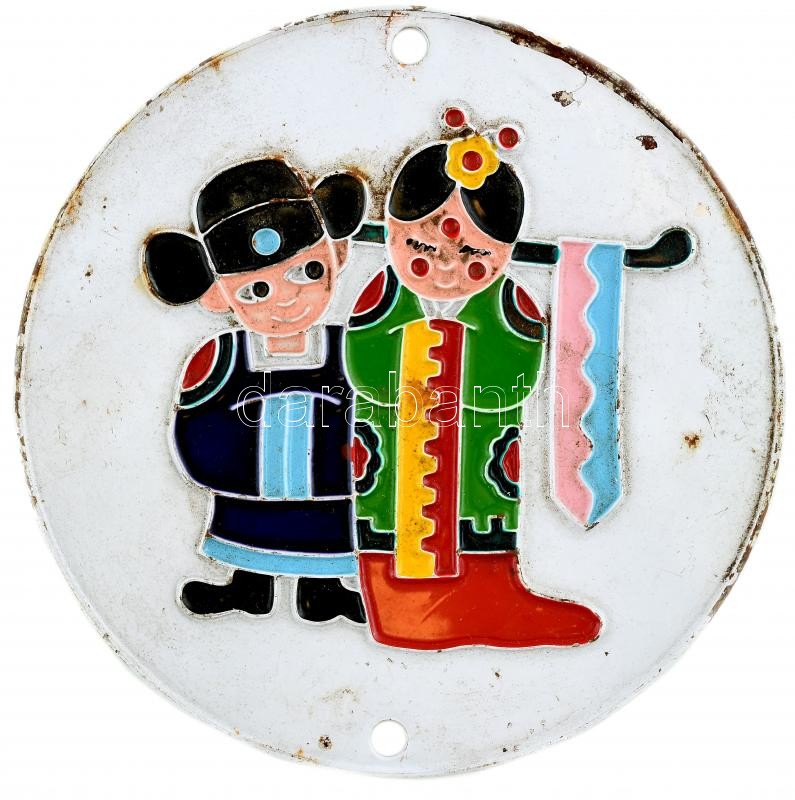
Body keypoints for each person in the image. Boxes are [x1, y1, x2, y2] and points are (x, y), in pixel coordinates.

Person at [345, 112, 602, 648]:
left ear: (505, 252)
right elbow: (365, 369)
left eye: (473, 255)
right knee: (394, 524)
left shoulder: (511, 302)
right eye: (423, 250)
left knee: (482, 518)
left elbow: (516, 376)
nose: (446, 268)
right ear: (391, 232)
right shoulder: (381, 296)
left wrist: (453, 360)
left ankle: (488, 605)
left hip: (480, 454)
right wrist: (426, 358)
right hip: (393, 451)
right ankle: (401, 617)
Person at [144, 158, 368, 623]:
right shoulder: (220, 359)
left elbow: (374, 411)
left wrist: (347, 460)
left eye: (307, 272)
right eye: (256, 291)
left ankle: (323, 592)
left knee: (326, 544)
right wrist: (244, 464)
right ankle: (249, 587)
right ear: (216, 295)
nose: (286, 298)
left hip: (331, 502)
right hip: (245, 504)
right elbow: (196, 425)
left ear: (338, 254)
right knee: (249, 542)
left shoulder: (351, 349)